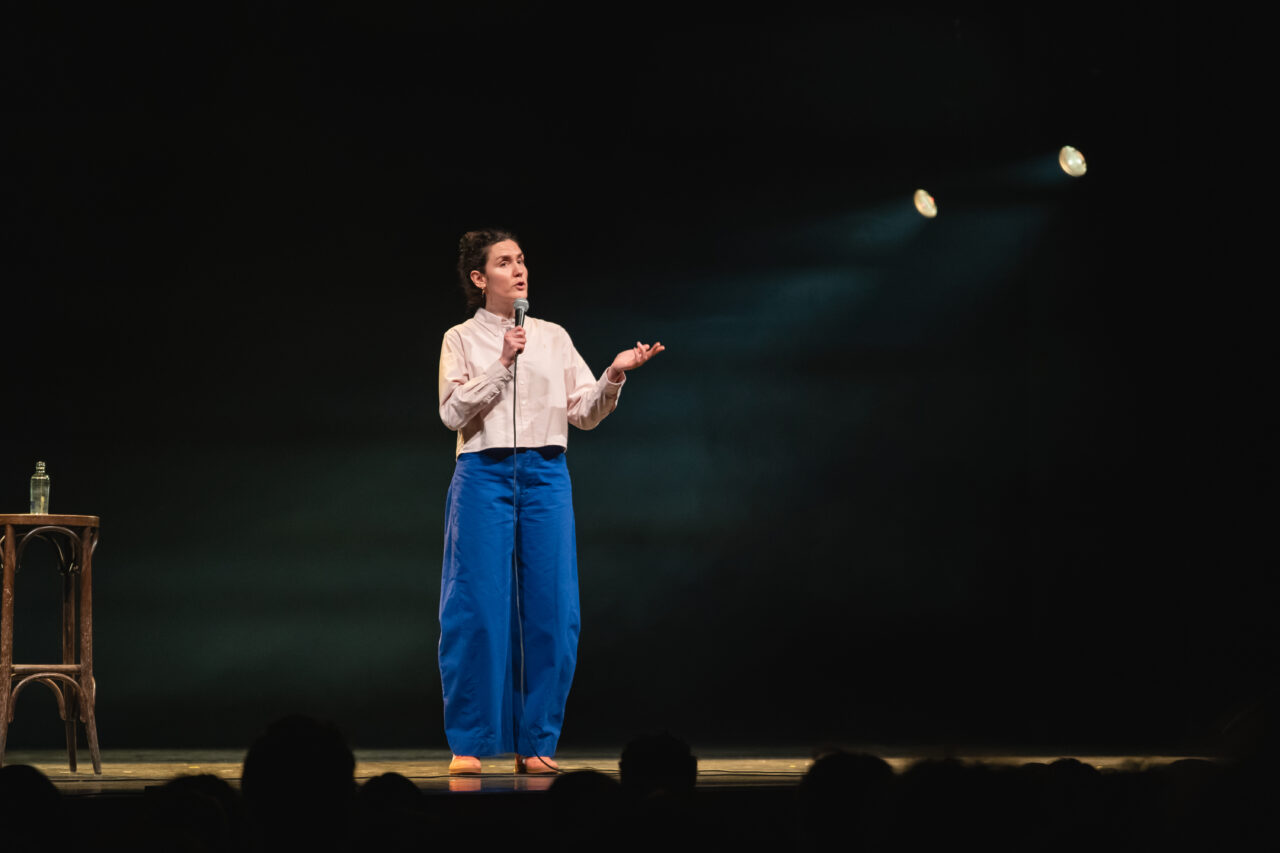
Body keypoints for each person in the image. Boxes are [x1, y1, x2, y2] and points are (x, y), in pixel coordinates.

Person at [438, 229, 663, 775]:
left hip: (545, 474)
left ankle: (537, 740)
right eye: (504, 262)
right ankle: (470, 742)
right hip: (484, 472)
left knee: (553, 610)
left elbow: (582, 412)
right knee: (476, 608)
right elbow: (451, 413)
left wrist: (613, 375)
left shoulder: (553, 336)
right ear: (479, 278)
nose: (519, 270)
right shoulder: (460, 338)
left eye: (521, 260)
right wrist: (501, 363)